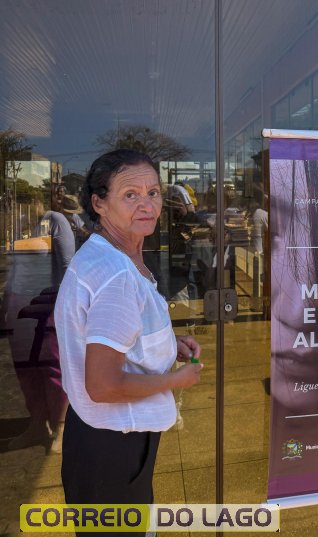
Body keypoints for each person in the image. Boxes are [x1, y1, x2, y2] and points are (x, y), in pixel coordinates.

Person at [54, 149, 203, 515]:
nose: (147, 204)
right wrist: (176, 380)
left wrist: (167, 344)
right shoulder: (117, 275)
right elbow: (103, 385)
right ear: (99, 203)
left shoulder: (107, 254)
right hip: (114, 445)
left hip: (98, 438)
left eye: (153, 192)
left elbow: (114, 330)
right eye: (130, 194)